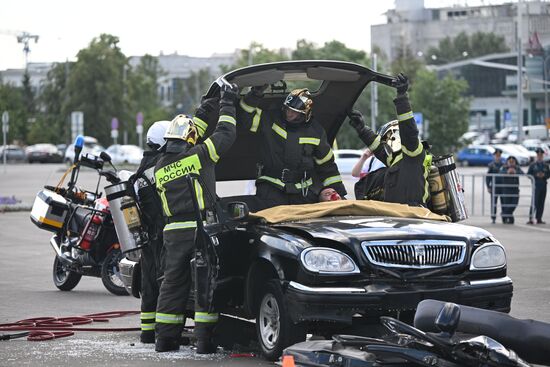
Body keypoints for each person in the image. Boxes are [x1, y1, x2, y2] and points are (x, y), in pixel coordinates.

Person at [153, 83, 239, 354]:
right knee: (205, 282)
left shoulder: (160, 166)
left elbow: (192, 132)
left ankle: (165, 340)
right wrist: (227, 103)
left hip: (173, 232)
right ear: (190, 140)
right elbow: (226, 133)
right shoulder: (198, 156)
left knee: (172, 284)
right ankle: (204, 341)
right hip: (200, 229)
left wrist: (206, 107)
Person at [238, 86, 346, 209]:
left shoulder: (316, 132)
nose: (289, 114)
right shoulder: (270, 119)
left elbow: (327, 166)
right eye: (287, 109)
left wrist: (340, 194)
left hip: (303, 192)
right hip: (271, 188)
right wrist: (255, 94)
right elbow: (245, 117)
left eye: (294, 112)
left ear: (305, 114)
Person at [348, 73, 431, 206]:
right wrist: (361, 129)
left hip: (413, 218)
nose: (385, 144)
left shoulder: (413, 153)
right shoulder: (394, 160)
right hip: (396, 218)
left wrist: (402, 97)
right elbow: (377, 147)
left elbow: (409, 130)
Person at [129, 120, 171, 345]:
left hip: (146, 235)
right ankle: (165, 333)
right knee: (168, 282)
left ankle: (147, 332)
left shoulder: (140, 171)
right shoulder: (162, 166)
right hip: (165, 233)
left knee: (149, 283)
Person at [527, 147, 550, 224]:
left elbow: (548, 174)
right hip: (536, 185)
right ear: (537, 155)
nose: (540, 156)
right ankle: (531, 218)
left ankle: (539, 218)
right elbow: (528, 174)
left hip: (543, 185)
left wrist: (544, 175)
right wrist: (536, 175)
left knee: (541, 202)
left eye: (541, 155)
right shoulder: (533, 165)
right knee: (534, 202)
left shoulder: (546, 165)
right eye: (538, 155)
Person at [500, 156, 523, 224]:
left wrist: (515, 172)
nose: (511, 163)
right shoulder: (504, 167)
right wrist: (507, 172)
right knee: (507, 205)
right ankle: (509, 219)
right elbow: (500, 173)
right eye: (510, 162)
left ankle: (504, 213)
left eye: (513, 162)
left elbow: (523, 173)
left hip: (515, 189)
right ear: (507, 162)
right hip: (506, 190)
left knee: (514, 204)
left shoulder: (517, 168)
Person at [486, 148, 504, 224]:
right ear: (494, 156)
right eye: (496, 155)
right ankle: (493, 217)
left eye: (499, 155)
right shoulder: (491, 165)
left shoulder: (504, 164)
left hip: (502, 186)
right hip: (494, 186)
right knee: (494, 203)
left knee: (504, 202)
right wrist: (488, 186)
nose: (498, 157)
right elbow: (488, 177)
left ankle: (504, 217)